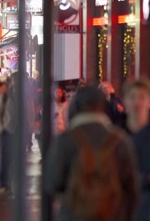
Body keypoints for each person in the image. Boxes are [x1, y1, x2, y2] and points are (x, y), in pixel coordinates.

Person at [44, 86, 139, 221]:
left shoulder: (65, 140)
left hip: (73, 215)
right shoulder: (120, 141)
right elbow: (131, 189)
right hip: (111, 214)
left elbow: (52, 183)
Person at [123, 80, 150, 221]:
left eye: (142, 97)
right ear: (125, 101)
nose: (137, 102)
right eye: (133, 97)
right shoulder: (116, 135)